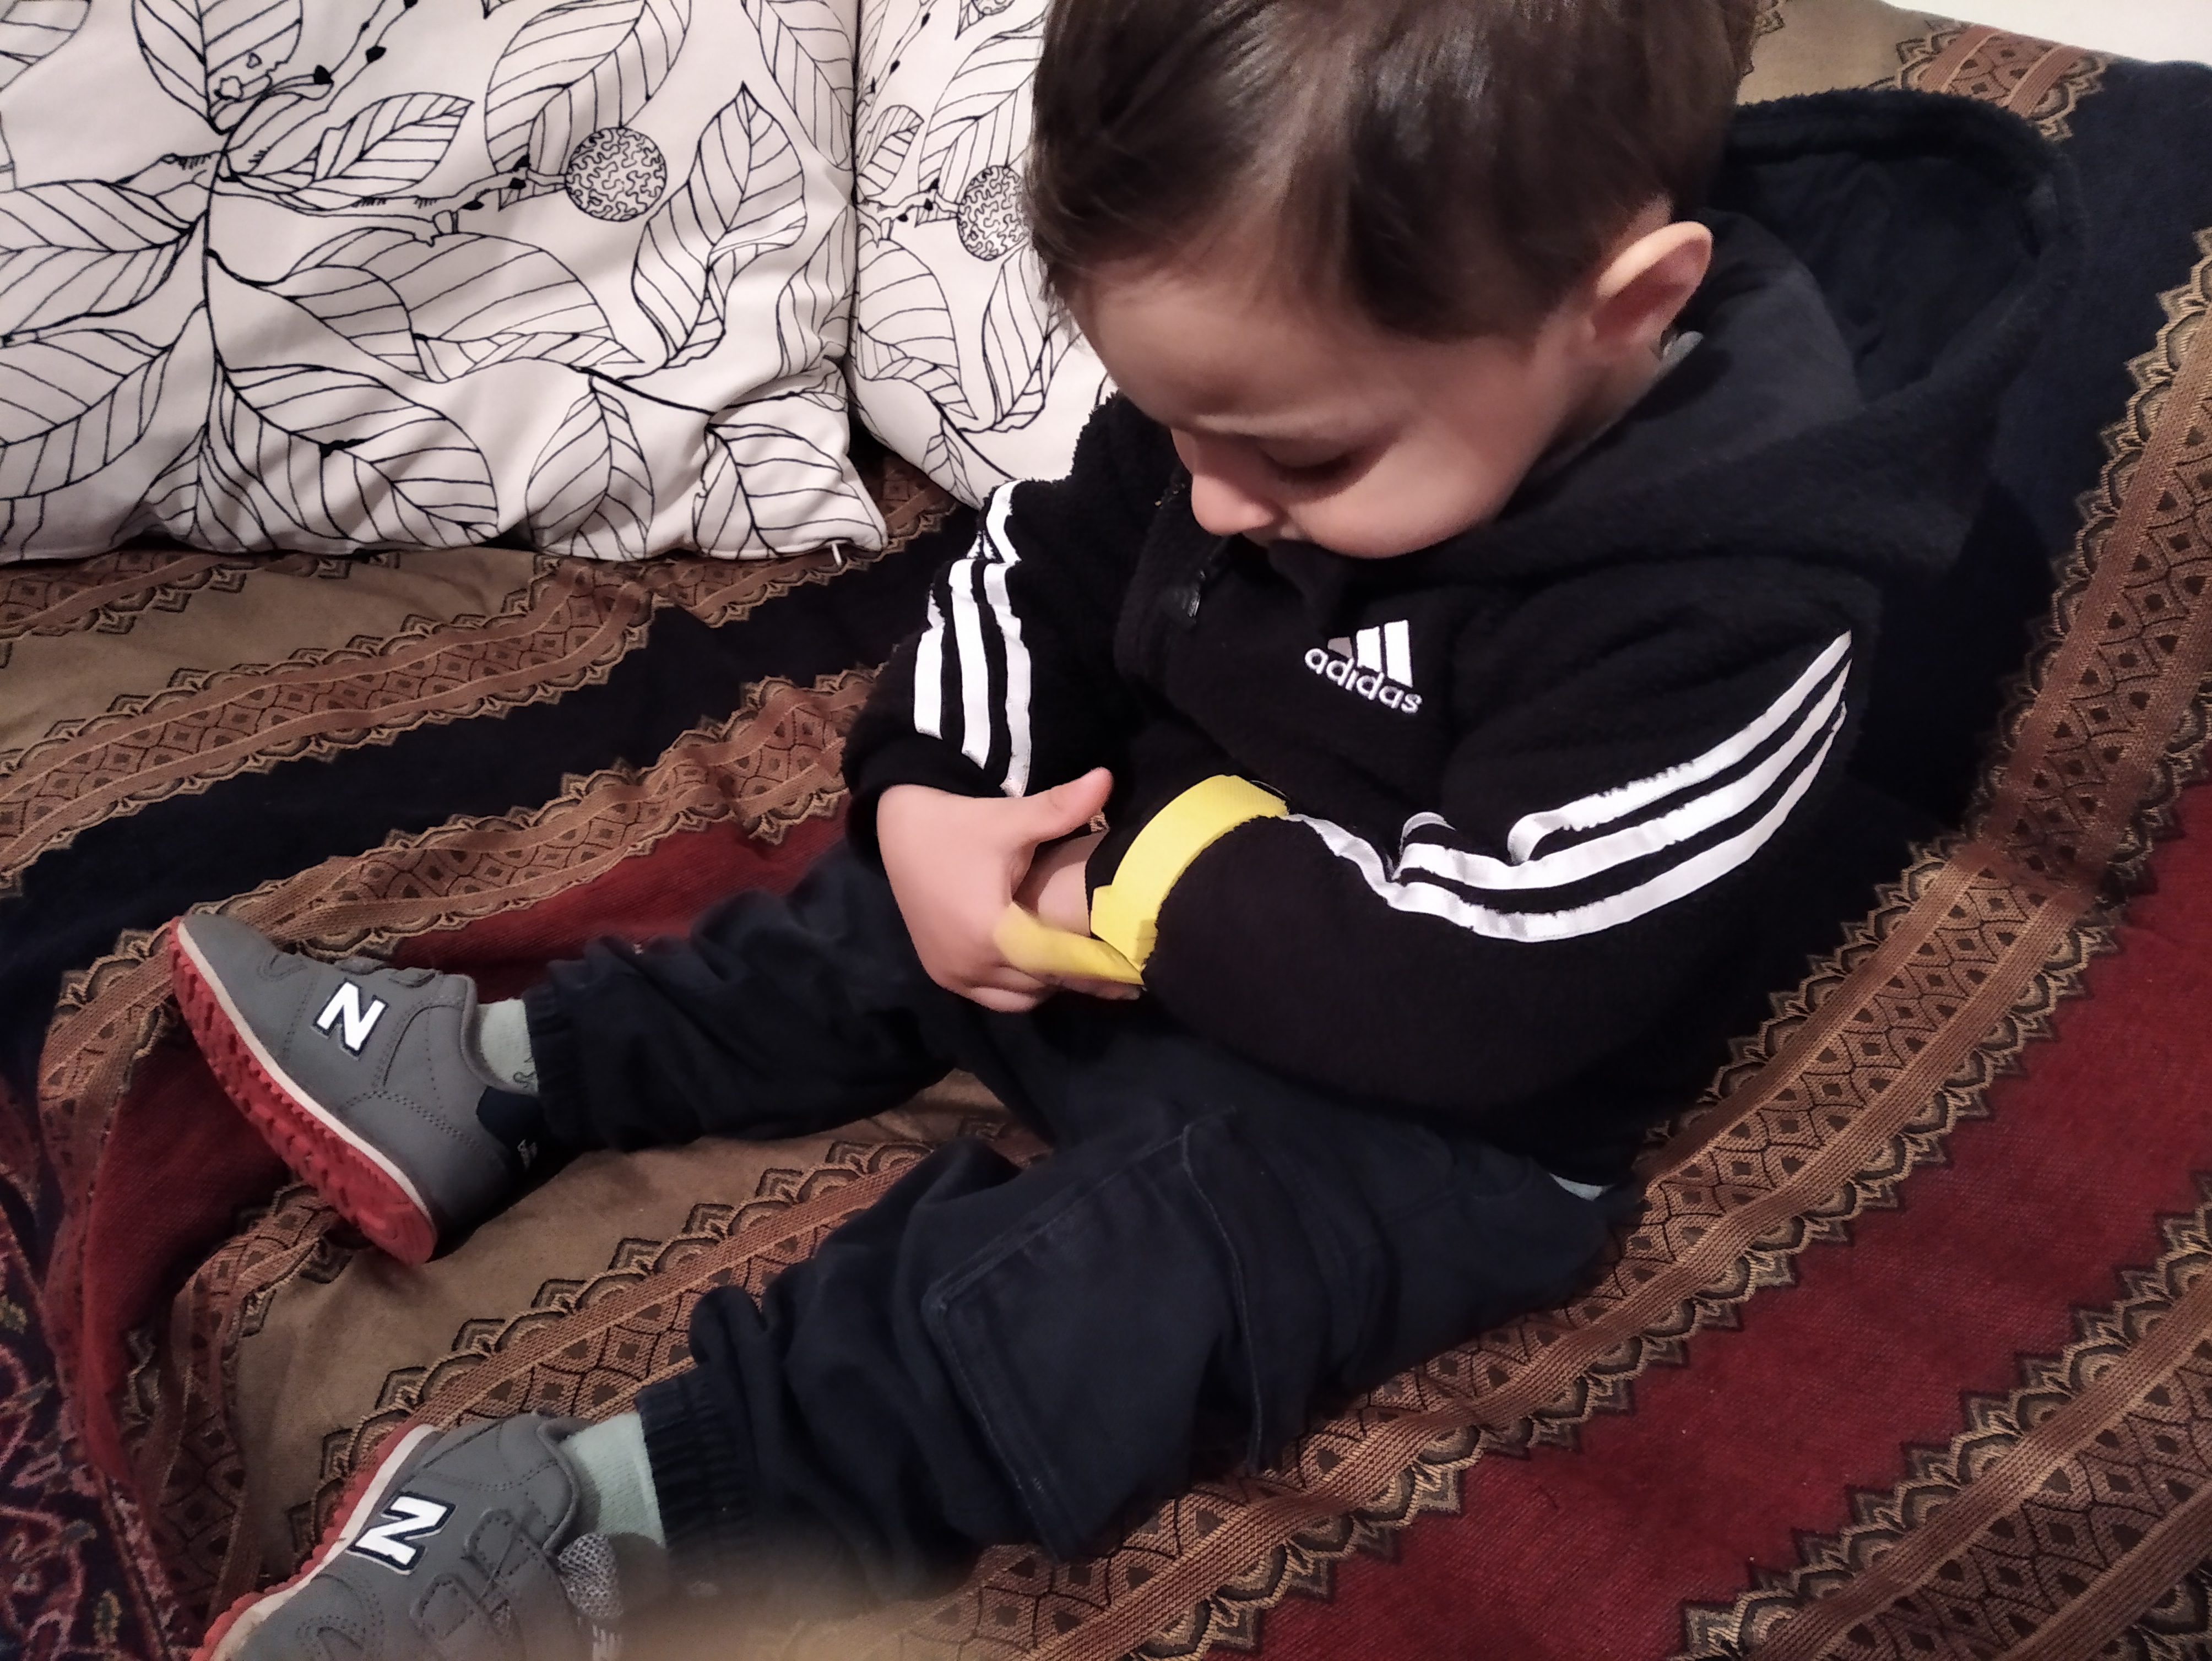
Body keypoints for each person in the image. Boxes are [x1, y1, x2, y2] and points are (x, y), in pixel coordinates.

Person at [170, 0, 2076, 1654]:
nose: (1215, 503)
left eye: (1300, 455)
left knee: (1099, 1298)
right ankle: (508, 1077)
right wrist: (934, 801)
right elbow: (1044, 568)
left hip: (1427, 1108)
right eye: (1177, 431)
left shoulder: (1738, 586)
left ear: (1621, 311)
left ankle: (616, 1523)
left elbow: (1497, 983)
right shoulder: (1254, 410)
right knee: (864, 914)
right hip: (1149, 895)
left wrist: (1144, 867)